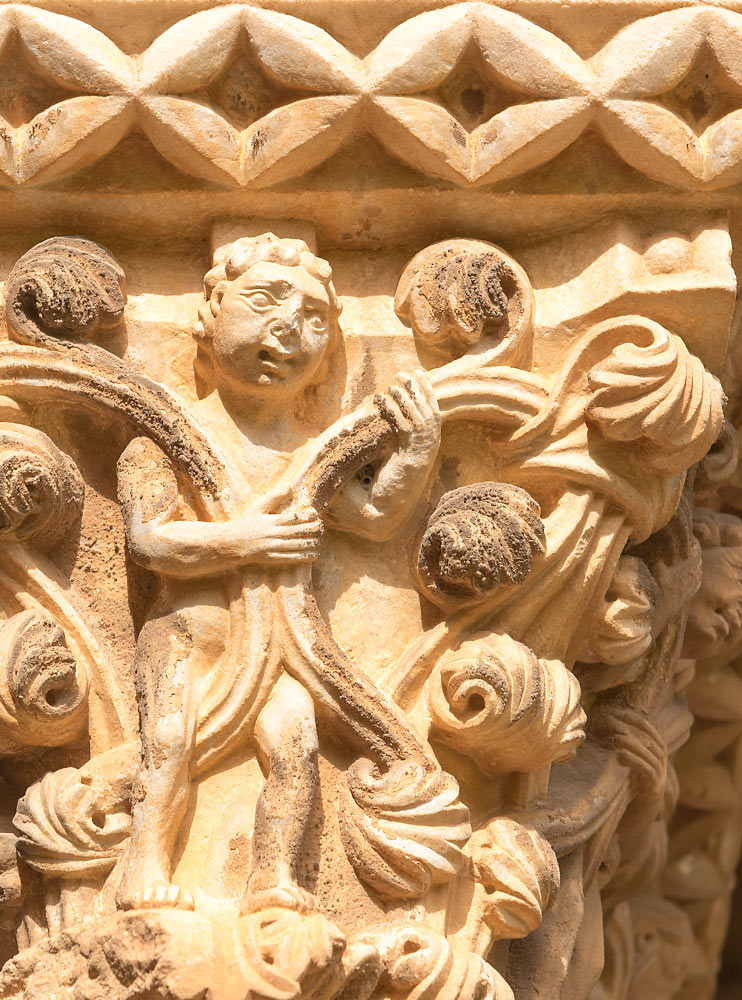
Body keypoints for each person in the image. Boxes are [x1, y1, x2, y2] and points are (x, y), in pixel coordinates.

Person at [115, 234, 440, 913]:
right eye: (264, 300)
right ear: (207, 316)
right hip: (188, 637)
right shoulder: (164, 435)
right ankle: (142, 866)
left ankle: (275, 878)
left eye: (315, 319)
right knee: (167, 746)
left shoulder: (311, 449)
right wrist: (249, 539)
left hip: (283, 652)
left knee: (296, 744)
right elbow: (149, 540)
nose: (289, 328)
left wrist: (415, 452)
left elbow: (375, 517)